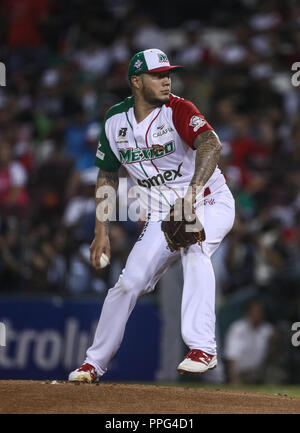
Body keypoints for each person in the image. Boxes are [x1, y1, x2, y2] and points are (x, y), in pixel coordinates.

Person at [68, 48, 235, 383]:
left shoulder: (178, 109)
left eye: (167, 73)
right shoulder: (116, 120)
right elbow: (107, 175)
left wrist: (190, 197)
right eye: (157, 75)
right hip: (161, 214)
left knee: (194, 246)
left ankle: (203, 347)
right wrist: (101, 231)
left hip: (208, 200)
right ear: (136, 81)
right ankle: (92, 364)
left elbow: (210, 145)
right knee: (128, 283)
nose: (165, 79)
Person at [224, 299, 276, 384]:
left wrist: (274, 341)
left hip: (261, 372)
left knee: (275, 374)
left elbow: (273, 352)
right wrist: (234, 377)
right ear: (248, 312)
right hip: (242, 373)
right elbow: (231, 355)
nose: (257, 314)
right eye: (254, 311)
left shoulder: (267, 329)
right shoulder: (238, 328)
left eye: (260, 312)